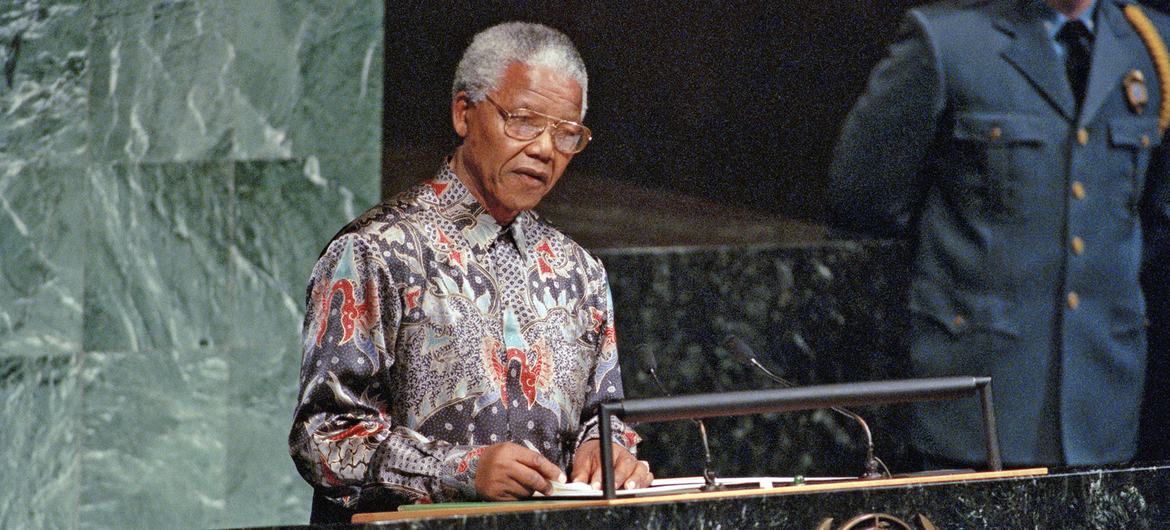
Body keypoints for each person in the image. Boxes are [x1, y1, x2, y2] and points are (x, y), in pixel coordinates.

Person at [289, 22, 651, 523]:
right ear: (464, 113)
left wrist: (608, 451)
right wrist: (459, 471)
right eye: (523, 121)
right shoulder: (376, 252)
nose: (545, 150)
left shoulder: (579, 271)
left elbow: (603, 417)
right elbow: (323, 437)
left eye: (566, 134)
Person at [830, 0, 1170, 468]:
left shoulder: (1153, 45)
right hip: (977, 403)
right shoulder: (949, 41)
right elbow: (864, 200)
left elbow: (1156, 213)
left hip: (1103, 404)